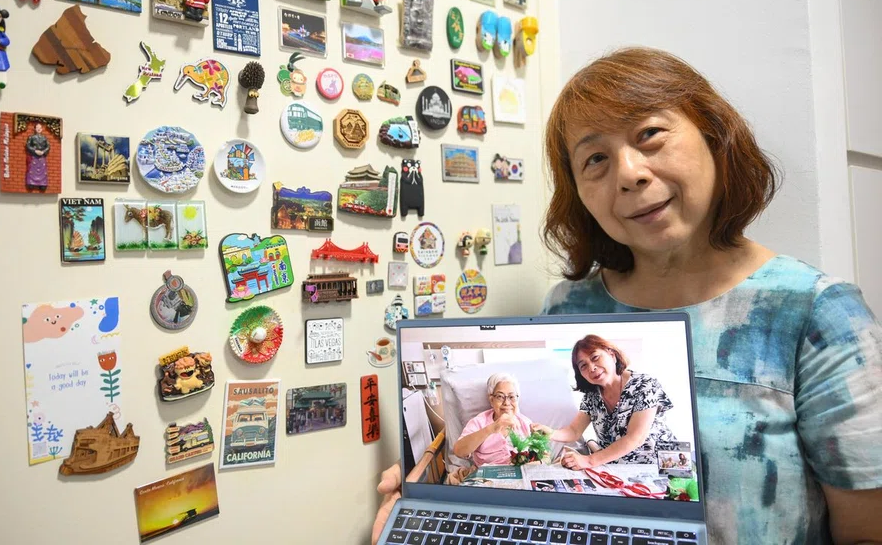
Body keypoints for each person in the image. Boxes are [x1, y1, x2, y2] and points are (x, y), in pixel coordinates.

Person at [372, 47, 882, 545]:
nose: (629, 173)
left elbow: (866, 532)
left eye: (650, 135)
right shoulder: (567, 308)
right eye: (595, 158)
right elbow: (562, 451)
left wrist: (587, 458)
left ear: (714, 138)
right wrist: (442, 498)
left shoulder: (817, 313)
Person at [531, 335, 678, 468]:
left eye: (595, 358)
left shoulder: (645, 385)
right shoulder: (592, 396)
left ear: (612, 355)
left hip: (662, 468)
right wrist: (551, 433)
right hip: (617, 470)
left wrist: (589, 460)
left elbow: (635, 438)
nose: (592, 368)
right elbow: (574, 431)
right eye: (583, 366)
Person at [452, 373, 533, 467]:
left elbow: (543, 454)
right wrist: (492, 428)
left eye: (511, 397)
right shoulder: (479, 422)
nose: (506, 403)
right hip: (487, 478)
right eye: (500, 396)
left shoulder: (525, 423)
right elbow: (459, 451)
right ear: (491, 400)